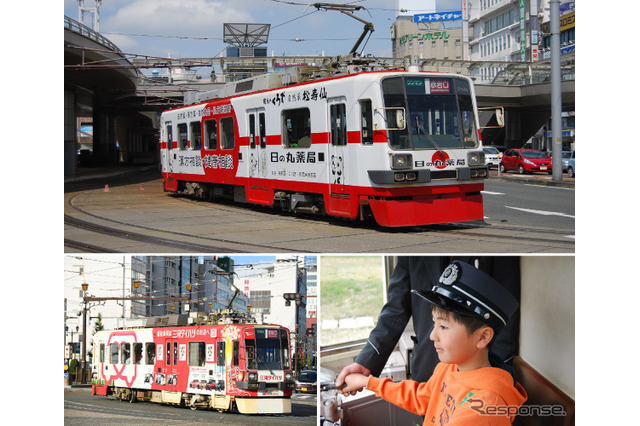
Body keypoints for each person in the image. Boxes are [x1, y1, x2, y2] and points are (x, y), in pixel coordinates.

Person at [340, 260, 527, 425]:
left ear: (482, 337)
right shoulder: (449, 368)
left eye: (443, 327)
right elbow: (422, 397)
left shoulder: (483, 407)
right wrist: (368, 382)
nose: (432, 336)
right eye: (433, 323)